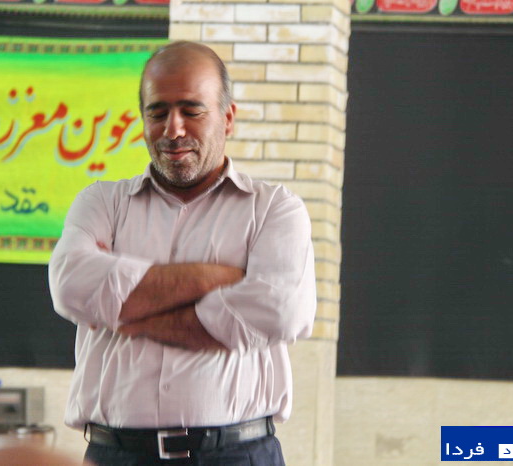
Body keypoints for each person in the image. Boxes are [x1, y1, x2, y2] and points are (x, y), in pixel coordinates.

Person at [48, 41, 316, 465]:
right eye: (157, 113)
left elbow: (280, 311)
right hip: (116, 455)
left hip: (235, 455)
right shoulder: (101, 203)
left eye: (192, 111)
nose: (173, 130)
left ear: (228, 118)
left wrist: (125, 312)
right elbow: (70, 287)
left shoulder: (274, 209)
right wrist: (216, 278)